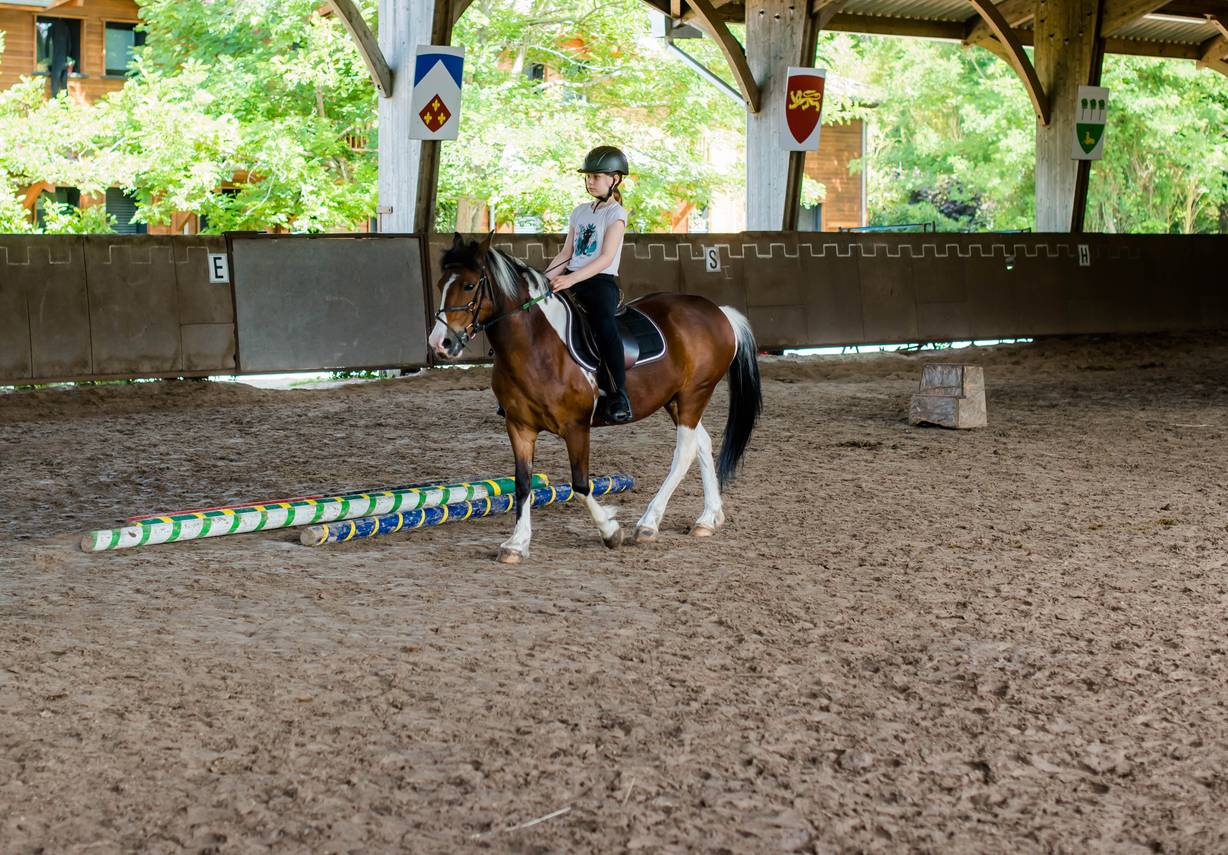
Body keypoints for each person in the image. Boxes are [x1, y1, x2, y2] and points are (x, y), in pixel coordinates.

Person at [546, 145, 632, 423]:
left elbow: (606, 257)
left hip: (600, 281)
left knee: (605, 326)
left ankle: (619, 394)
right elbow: (566, 253)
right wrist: (543, 279)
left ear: (614, 179)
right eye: (588, 176)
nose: (590, 181)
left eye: (596, 176)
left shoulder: (615, 215)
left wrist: (571, 278)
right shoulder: (579, 212)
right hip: (571, 276)